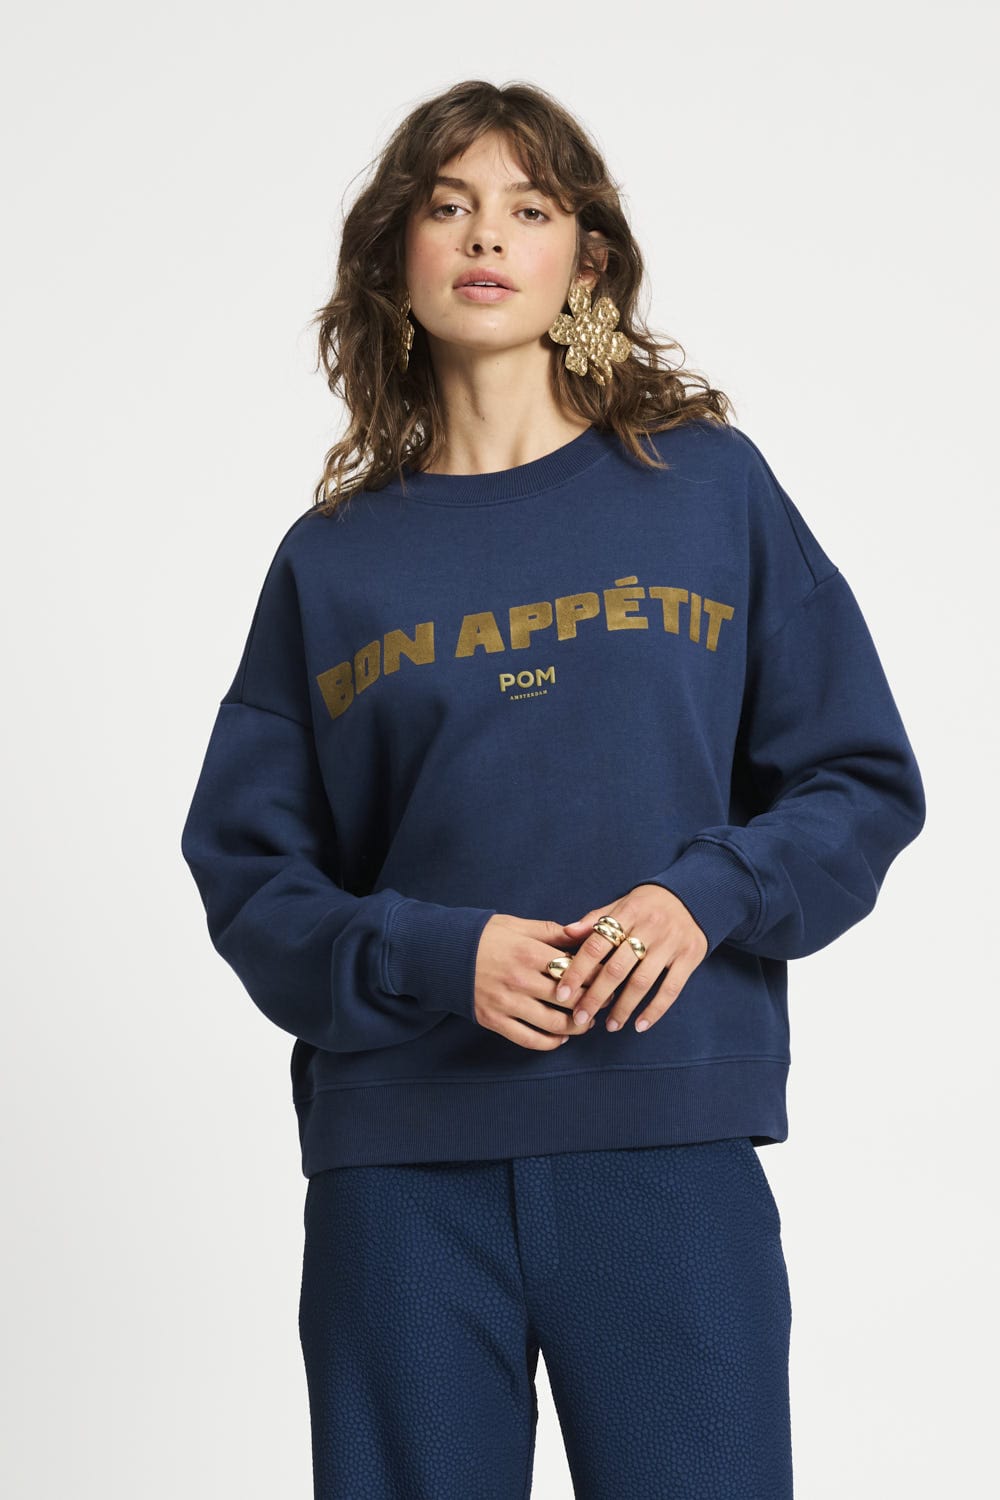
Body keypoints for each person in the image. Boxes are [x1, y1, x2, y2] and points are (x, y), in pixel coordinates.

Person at [180, 79, 926, 1500]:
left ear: (586, 260)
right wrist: (431, 954)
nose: (486, 236)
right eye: (448, 206)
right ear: (396, 256)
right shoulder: (331, 562)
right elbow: (249, 873)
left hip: (665, 1145)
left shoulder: (708, 493)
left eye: (529, 209)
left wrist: (705, 897)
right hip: (400, 1175)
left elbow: (857, 776)